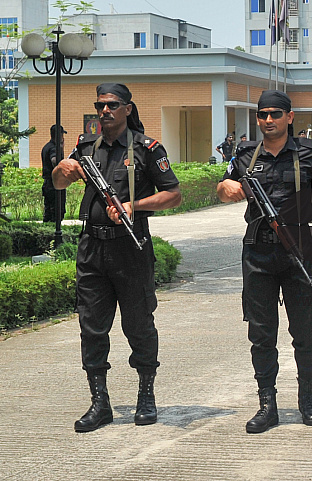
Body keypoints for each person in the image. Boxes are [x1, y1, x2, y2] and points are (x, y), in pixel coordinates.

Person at [52, 83, 182, 432]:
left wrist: (133, 206)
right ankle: (100, 402)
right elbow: (59, 183)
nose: (104, 111)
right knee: (91, 327)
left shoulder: (147, 149)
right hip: (92, 248)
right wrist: (62, 169)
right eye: (100, 106)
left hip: (131, 247)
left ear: (127, 109)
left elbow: (173, 195)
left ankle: (146, 395)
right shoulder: (86, 147)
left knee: (138, 325)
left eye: (111, 105)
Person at [217, 90, 312, 434]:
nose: (268, 120)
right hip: (258, 253)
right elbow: (224, 186)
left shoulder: (308, 152)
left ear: (289, 117)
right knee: (261, 332)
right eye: (263, 114)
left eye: (275, 114)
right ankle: (267, 404)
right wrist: (226, 187)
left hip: (299, 250)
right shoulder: (245, 154)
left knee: (305, 329)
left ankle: (307, 398)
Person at [41, 125, 67, 223]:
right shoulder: (54, 148)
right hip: (55, 183)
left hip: (47, 183)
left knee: (48, 211)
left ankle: (48, 229)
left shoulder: (46, 146)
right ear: (59, 135)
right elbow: (54, 160)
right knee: (57, 212)